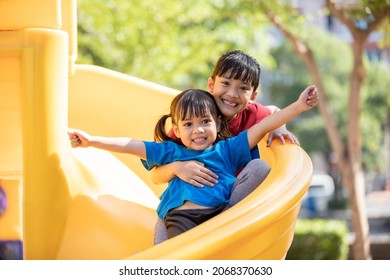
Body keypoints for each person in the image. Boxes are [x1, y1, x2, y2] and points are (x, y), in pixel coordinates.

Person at [69, 87, 319, 240]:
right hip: (181, 219)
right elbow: (131, 145)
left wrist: (298, 106)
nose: (197, 130)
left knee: (260, 169)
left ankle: (230, 221)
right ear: (176, 129)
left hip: (220, 216)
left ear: (217, 124)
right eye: (188, 125)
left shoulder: (228, 149)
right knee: (174, 259)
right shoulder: (171, 152)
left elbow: (265, 124)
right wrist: (91, 141)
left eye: (204, 122)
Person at [151, 50, 299, 244]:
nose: (232, 93)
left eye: (242, 88)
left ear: (253, 96)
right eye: (226, 83)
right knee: (164, 224)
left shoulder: (252, 114)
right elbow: (155, 176)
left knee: (259, 168)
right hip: (191, 204)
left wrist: (279, 127)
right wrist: (177, 168)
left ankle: (223, 221)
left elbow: (274, 111)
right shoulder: (192, 118)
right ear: (211, 85)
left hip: (229, 201)